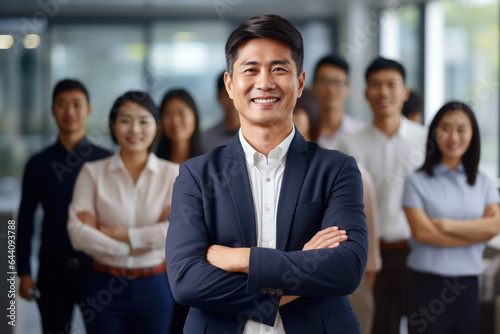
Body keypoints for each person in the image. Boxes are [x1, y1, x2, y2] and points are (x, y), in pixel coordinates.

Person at [166, 14, 368, 334]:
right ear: (230, 85)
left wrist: (243, 259)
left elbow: (347, 269)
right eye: (250, 69)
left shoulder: (337, 169)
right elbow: (186, 282)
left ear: (299, 83)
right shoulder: (196, 175)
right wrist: (299, 270)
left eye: (278, 69)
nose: (264, 82)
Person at [67, 91, 178, 333]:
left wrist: (106, 231)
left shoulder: (174, 174)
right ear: (113, 126)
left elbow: (175, 231)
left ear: (156, 127)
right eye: (125, 120)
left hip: (154, 285)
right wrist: (129, 248)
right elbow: (77, 232)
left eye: (143, 121)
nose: (134, 129)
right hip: (103, 284)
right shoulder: (92, 172)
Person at [338, 57, 427, 334]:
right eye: (375, 85)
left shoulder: (425, 140)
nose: (383, 92)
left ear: (404, 92)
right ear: (366, 93)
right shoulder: (349, 144)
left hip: (416, 252)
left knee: (421, 323)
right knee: (375, 326)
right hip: (369, 258)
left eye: (391, 84)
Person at [17, 79, 111, 334]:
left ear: (88, 110)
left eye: (76, 105)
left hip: (97, 268)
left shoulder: (104, 160)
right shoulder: (38, 163)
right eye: (62, 105)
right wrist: (23, 272)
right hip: (52, 269)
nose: (69, 112)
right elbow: (24, 220)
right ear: (52, 109)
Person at [403, 101, 500, 334]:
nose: (453, 136)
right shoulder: (416, 181)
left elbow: (494, 226)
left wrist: (445, 225)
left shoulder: (484, 182)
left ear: (472, 134)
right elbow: (423, 233)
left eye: (461, 129)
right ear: (434, 132)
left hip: (468, 286)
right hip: (427, 286)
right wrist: (476, 233)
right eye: (445, 128)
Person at [312, 54, 365, 149]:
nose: (330, 88)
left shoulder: (360, 133)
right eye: (323, 81)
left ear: (348, 90)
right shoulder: (301, 132)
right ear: (312, 87)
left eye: (338, 82)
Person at [155, 88, 203, 163]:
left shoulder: (208, 164)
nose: (175, 121)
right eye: (168, 114)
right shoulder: (153, 163)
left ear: (194, 117)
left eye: (182, 113)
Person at [201, 71, 241, 152]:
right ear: (218, 97)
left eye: (236, 93)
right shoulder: (205, 138)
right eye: (227, 94)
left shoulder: (257, 134)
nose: (231, 100)